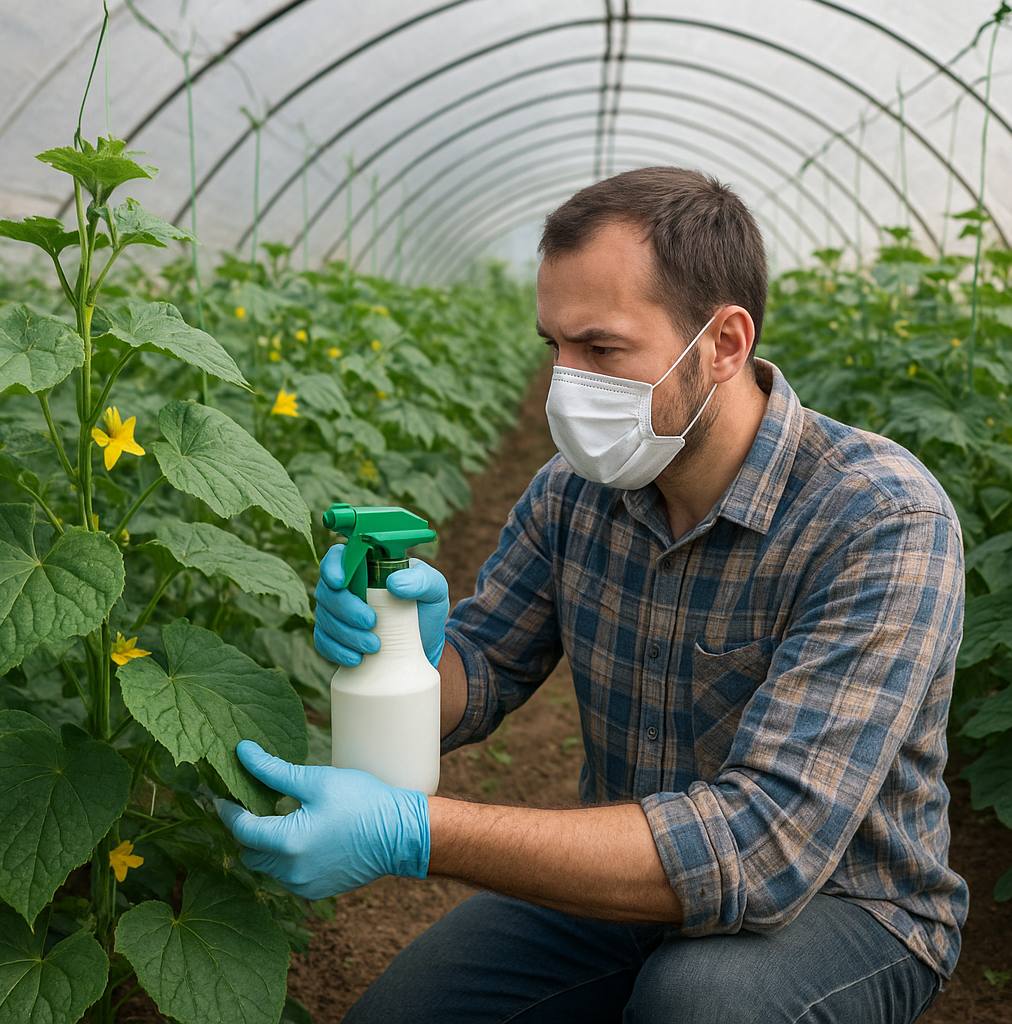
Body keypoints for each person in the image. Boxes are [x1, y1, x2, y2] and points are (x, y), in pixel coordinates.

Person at [217, 167, 968, 1023]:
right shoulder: (574, 492)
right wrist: (409, 656)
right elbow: (488, 666)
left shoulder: (879, 519)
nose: (564, 387)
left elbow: (762, 845)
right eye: (555, 347)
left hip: (845, 904)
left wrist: (417, 833)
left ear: (724, 344)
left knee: (702, 1006)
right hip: (627, 880)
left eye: (602, 350)